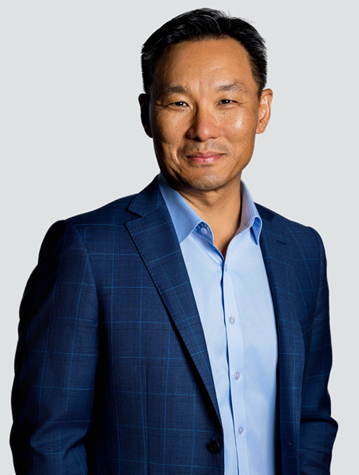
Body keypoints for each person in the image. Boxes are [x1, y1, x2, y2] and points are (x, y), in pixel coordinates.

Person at [10, 8, 338, 475]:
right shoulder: (85, 250)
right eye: (179, 103)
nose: (204, 130)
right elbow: (49, 440)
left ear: (262, 110)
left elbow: (309, 418)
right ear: (147, 113)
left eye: (227, 102)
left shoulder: (302, 251)